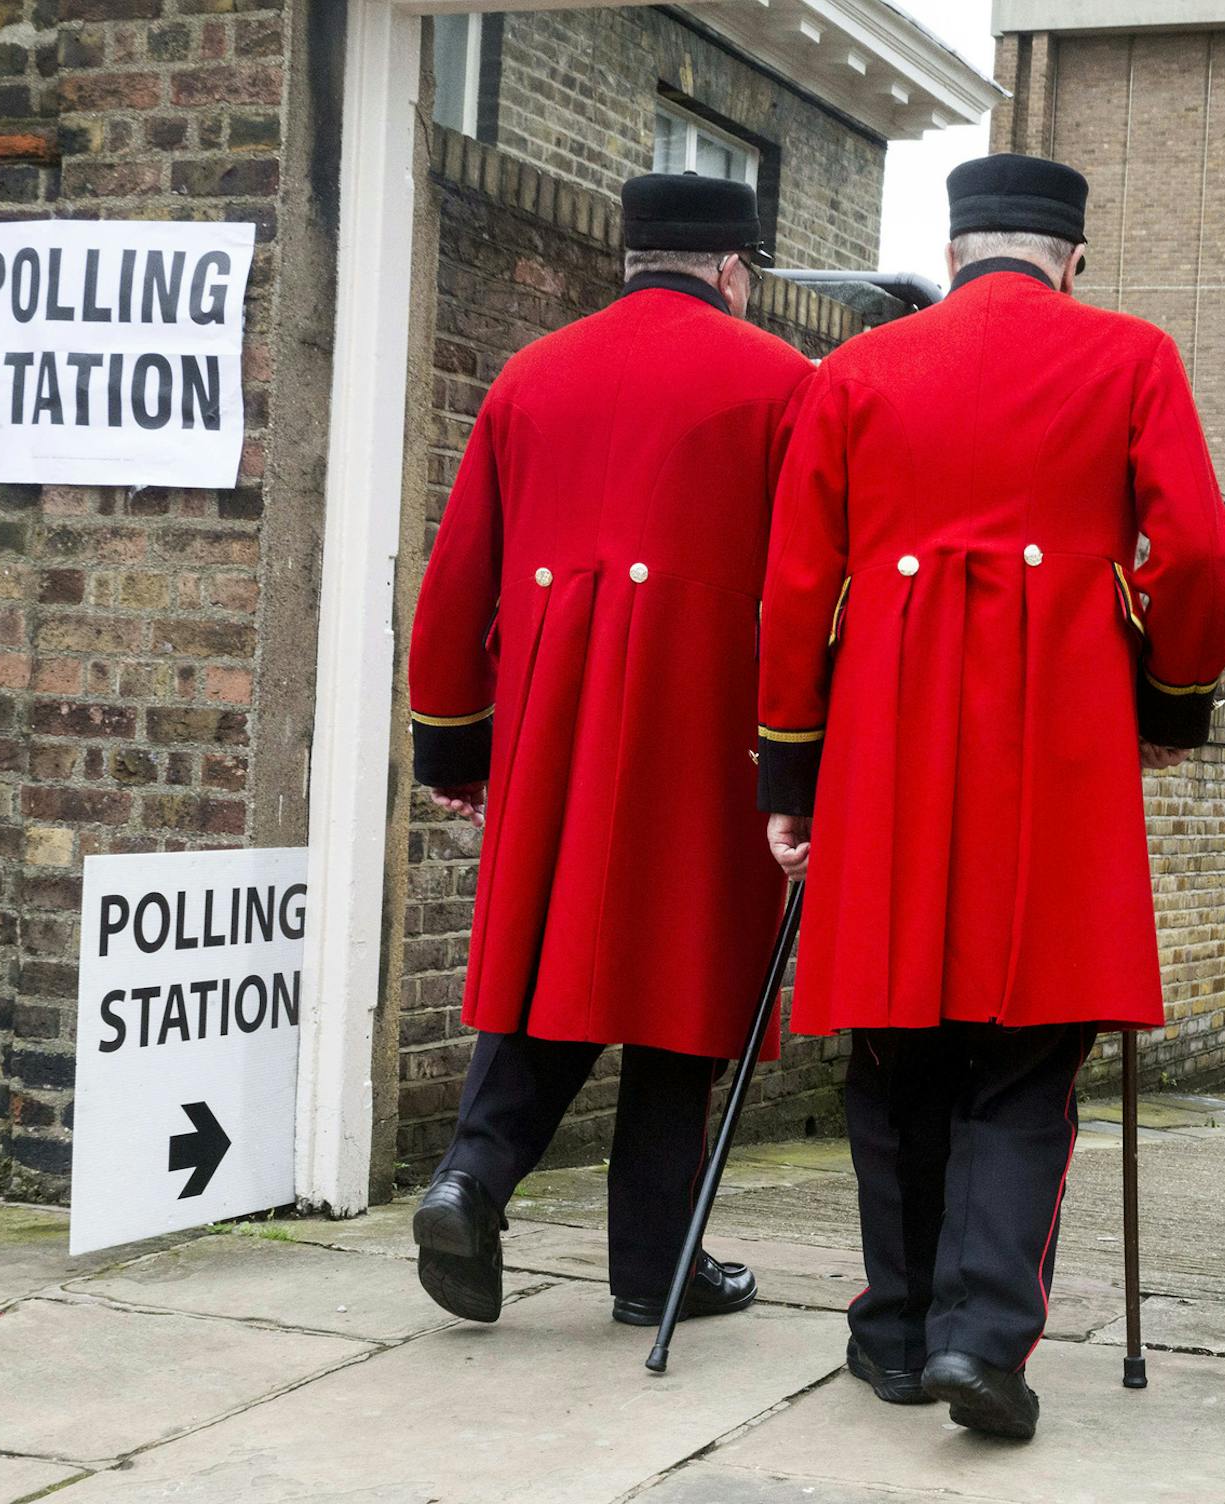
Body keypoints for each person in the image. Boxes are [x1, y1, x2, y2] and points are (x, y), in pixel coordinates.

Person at [756, 153, 1225, 1439]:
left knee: (898, 1042)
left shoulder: (855, 370)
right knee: (1028, 1055)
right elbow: (1199, 548)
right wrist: (1173, 698)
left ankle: (898, 1329)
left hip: (887, 745)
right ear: (1071, 256)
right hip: (1058, 746)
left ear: (958, 245)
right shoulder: (1130, 353)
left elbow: (797, 588)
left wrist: (790, 774)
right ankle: (984, 1337)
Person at [407, 173, 810, 1329]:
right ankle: (654, 1266)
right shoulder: (784, 383)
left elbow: (454, 588)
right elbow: (798, 586)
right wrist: (803, 754)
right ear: (732, 268)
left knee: (551, 958)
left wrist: (456, 749)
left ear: (631, 260)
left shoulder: (528, 378)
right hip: (705, 722)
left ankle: (470, 1177)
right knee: (681, 972)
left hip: (552, 726)